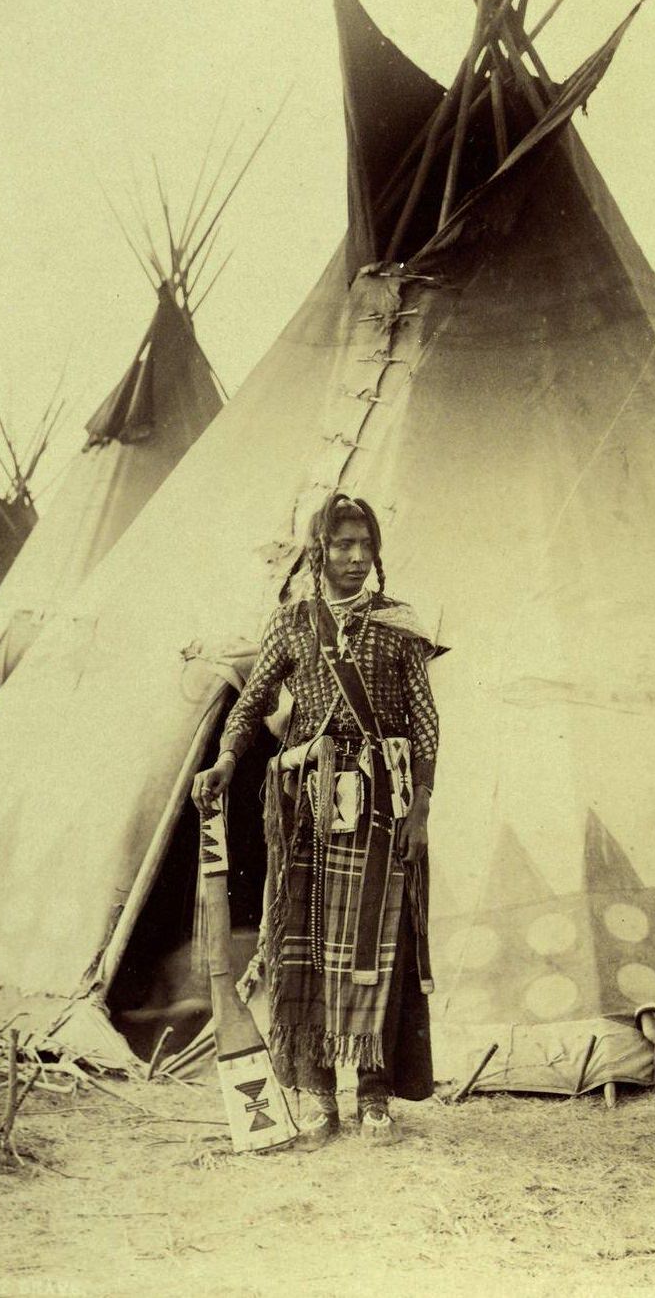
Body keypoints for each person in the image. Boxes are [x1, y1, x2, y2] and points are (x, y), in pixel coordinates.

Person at [193, 491, 439, 1148]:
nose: (356, 557)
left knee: (374, 953)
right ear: (318, 551)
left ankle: (377, 1094)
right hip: (306, 812)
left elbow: (425, 725)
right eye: (342, 545)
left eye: (365, 545)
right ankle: (323, 1095)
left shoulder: (399, 626)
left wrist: (418, 808)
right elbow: (250, 706)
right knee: (306, 953)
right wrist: (223, 760)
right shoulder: (294, 624)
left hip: (383, 813)